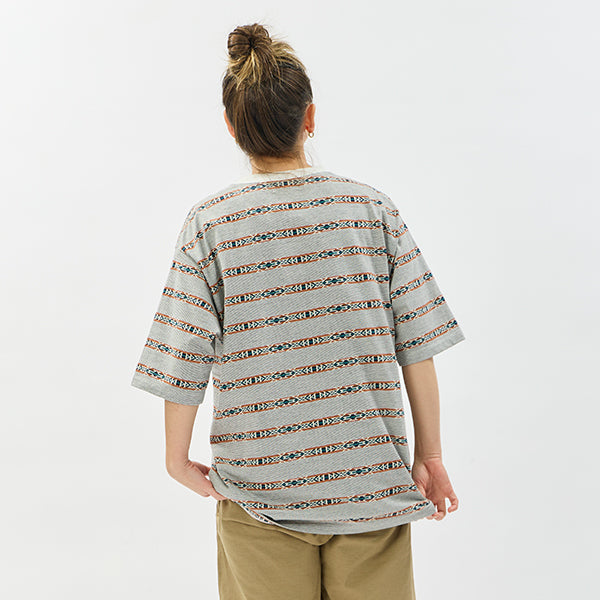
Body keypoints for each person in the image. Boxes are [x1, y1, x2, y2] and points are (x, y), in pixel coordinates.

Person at [131, 21, 466, 600]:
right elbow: (418, 346)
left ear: (232, 126)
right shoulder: (371, 210)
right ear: (310, 118)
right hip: (371, 491)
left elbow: (181, 353)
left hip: (258, 495)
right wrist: (430, 454)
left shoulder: (210, 226)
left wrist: (175, 459)